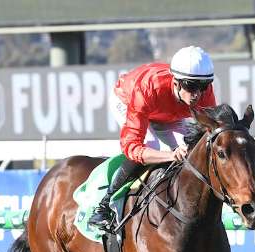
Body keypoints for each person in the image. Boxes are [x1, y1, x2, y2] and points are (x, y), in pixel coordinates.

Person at [88, 45, 217, 232]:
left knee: (191, 151)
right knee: (151, 144)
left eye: (203, 86)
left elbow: (211, 133)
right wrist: (171, 155)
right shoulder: (147, 89)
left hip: (167, 113)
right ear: (176, 82)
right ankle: (103, 205)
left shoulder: (204, 93)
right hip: (128, 99)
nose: (197, 93)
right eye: (191, 86)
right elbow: (132, 148)